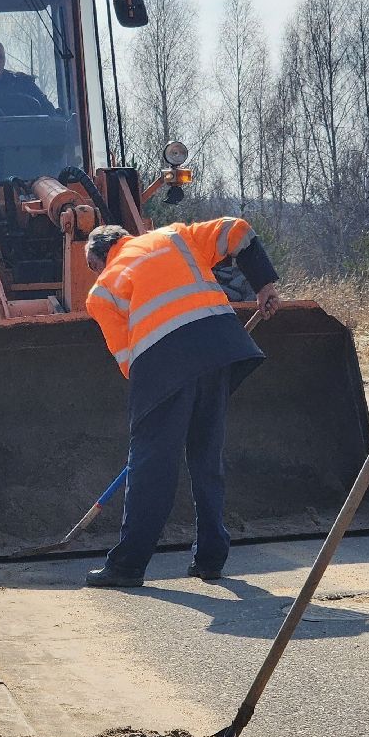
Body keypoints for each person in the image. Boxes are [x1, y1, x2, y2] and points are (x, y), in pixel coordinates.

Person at [83, 218, 280, 588]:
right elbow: (237, 230)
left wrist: (154, 411)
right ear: (127, 237)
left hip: (164, 367)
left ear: (97, 260)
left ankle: (127, 566)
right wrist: (264, 284)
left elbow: (128, 361)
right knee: (206, 457)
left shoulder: (102, 291)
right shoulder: (175, 236)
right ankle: (211, 558)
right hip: (219, 350)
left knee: (150, 467)